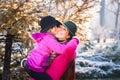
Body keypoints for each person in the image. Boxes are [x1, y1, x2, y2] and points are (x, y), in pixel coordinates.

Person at [21, 16, 79, 80]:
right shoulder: (51, 41)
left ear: (68, 36)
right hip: (37, 70)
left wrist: (75, 39)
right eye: (59, 27)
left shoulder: (69, 49)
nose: (59, 29)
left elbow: (68, 49)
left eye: (64, 29)